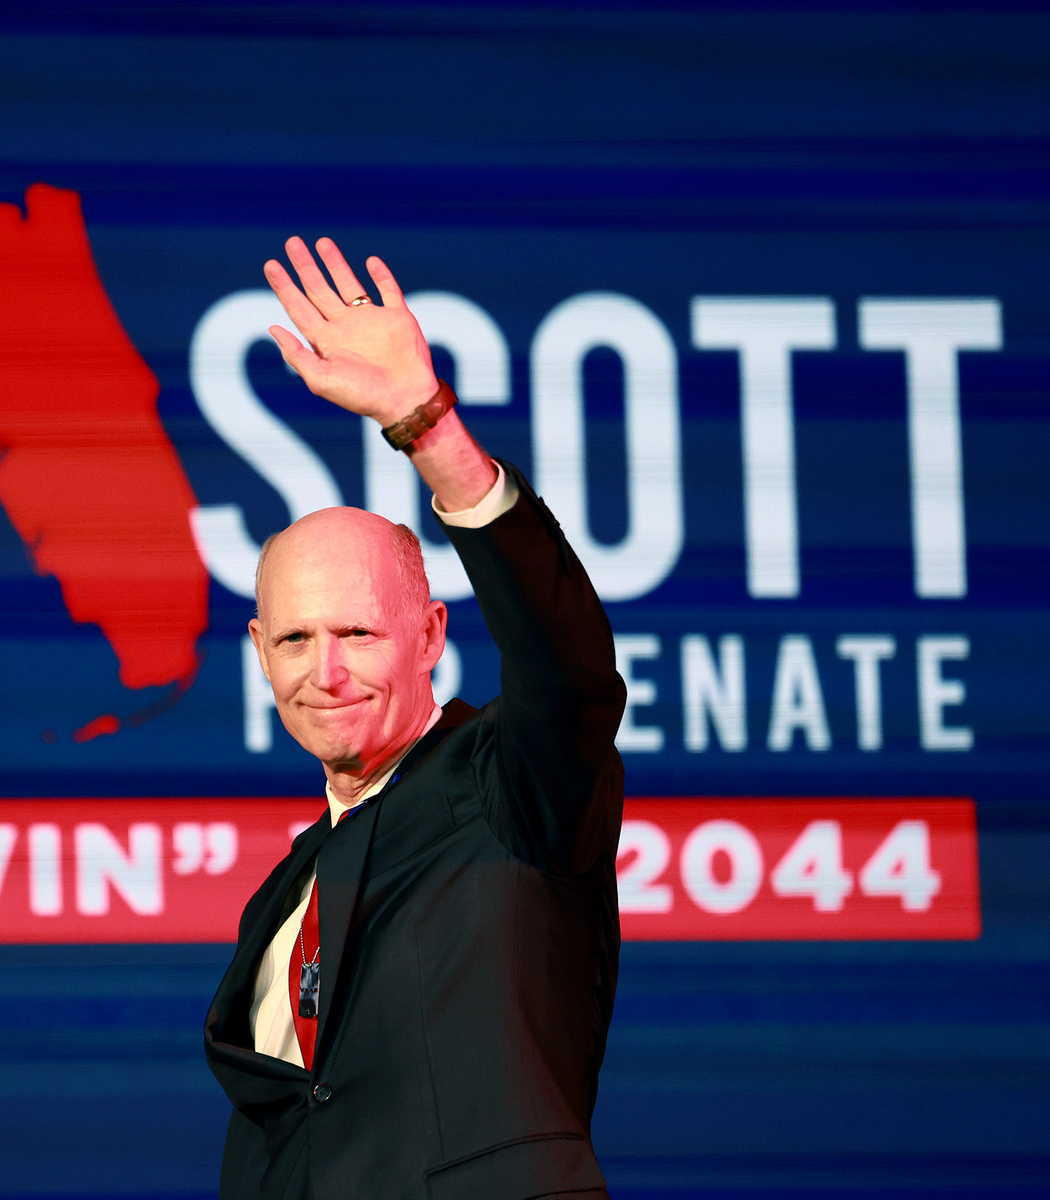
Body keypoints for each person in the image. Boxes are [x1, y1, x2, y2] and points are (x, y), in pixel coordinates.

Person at [204, 237, 628, 1200]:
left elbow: (570, 669)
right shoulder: (285, 897)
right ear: (258, 650)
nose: (328, 671)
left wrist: (425, 428)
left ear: (431, 634)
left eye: (358, 631)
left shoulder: (510, 787)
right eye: (295, 640)